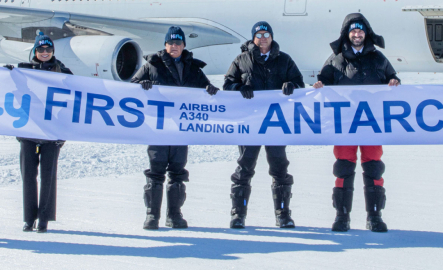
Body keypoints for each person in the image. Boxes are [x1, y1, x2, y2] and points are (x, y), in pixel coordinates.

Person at [312, 14, 400, 233]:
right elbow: (323, 83)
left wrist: (394, 82)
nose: (357, 34)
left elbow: (394, 80)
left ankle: (374, 216)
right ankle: (342, 216)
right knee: (343, 167)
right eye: (353, 31)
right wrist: (319, 85)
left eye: (360, 31)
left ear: (366, 33)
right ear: (347, 34)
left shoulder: (378, 58)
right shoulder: (335, 59)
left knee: (374, 167)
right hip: (345, 124)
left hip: (371, 123)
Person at [132, 26, 219, 230]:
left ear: (183, 46)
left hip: (182, 127)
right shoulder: (152, 65)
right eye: (170, 43)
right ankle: (152, 215)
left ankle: (174, 215)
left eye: (178, 43)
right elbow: (131, 87)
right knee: (156, 169)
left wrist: (210, 90)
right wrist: (141, 84)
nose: (174, 46)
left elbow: (206, 89)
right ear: (165, 44)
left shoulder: (193, 68)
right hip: (159, 126)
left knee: (178, 170)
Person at [222, 21, 305, 229]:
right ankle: (238, 214)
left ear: (272, 37)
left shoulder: (284, 60)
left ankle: (283, 214)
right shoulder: (242, 60)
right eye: (258, 35)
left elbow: (299, 84)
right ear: (253, 38)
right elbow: (227, 85)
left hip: (275, 124)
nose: (263, 38)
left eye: (266, 34)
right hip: (250, 123)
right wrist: (239, 88)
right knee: (244, 168)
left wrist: (291, 86)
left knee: (279, 168)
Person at [15, 32, 72, 232]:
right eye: (41, 49)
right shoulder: (24, 70)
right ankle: (29, 218)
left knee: (48, 176)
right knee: (28, 176)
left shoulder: (63, 71)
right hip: (29, 131)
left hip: (52, 133)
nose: (45, 52)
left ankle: (44, 218)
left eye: (48, 49)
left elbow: (73, 100)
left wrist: (63, 131)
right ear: (35, 51)